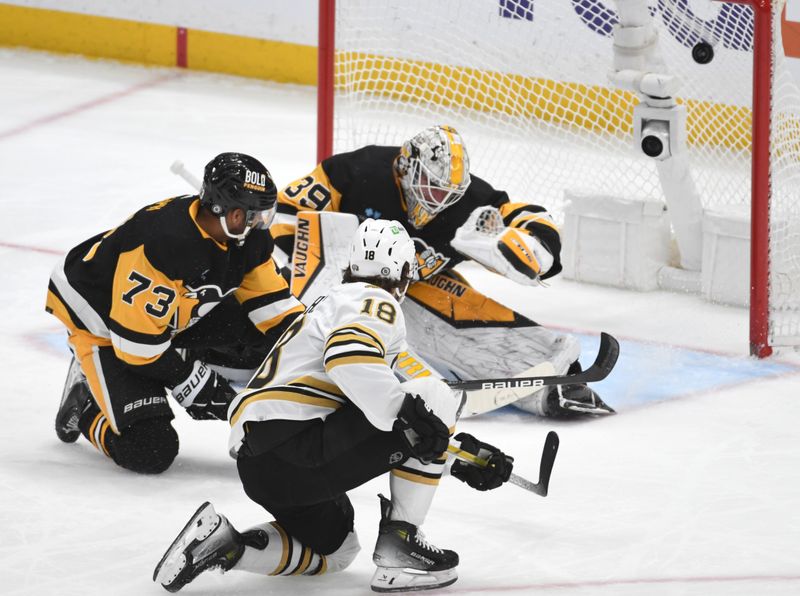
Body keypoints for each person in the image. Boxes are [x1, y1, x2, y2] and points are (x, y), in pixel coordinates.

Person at [152, 219, 514, 593]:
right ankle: (399, 544)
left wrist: (459, 456)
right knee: (433, 394)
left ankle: (228, 545)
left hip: (260, 466)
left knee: (337, 550)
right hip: (296, 448)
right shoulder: (376, 301)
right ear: (403, 271)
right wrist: (425, 427)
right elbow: (350, 360)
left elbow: (376, 404)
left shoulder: (332, 303)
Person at [270, 124, 613, 418]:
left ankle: (552, 382)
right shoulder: (358, 171)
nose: (438, 201)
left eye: (449, 193)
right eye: (432, 188)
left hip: (415, 291)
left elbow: (526, 215)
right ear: (406, 168)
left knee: (467, 308)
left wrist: (537, 246)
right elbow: (283, 213)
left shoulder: (469, 203)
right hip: (340, 288)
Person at [46, 152, 304, 474]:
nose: (258, 225)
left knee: (264, 343)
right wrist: (190, 379)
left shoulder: (245, 239)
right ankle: (84, 403)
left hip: (165, 317)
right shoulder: (163, 244)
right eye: (250, 216)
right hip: (106, 328)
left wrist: (321, 348)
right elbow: (135, 348)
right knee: (150, 450)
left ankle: (180, 349)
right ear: (225, 212)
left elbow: (276, 310)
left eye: (262, 216)